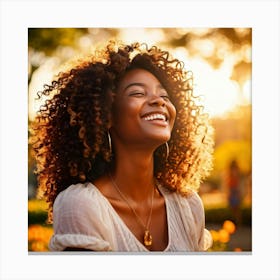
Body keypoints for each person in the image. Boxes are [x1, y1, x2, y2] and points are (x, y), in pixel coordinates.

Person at [30, 41, 214, 252]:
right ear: (106, 116)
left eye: (164, 96)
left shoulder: (188, 206)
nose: (159, 101)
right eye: (138, 93)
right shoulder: (81, 205)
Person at [226, 160, 242, 225]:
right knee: (233, 209)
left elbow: (238, 185)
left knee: (236, 209)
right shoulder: (230, 174)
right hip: (232, 192)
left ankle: (238, 222)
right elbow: (228, 184)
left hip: (235, 192)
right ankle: (235, 222)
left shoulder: (236, 173)